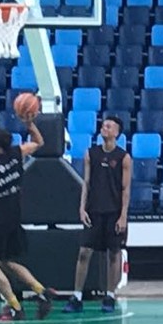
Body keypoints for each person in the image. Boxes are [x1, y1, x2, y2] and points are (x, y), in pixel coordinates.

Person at [0, 119, 55, 321]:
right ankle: (41, 291)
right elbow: (39, 142)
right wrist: (30, 124)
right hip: (13, 217)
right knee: (9, 261)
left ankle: (15, 308)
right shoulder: (16, 153)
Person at [63, 114, 131, 313]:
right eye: (104, 125)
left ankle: (109, 296)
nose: (105, 128)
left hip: (114, 212)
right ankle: (76, 296)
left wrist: (123, 215)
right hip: (93, 210)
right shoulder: (90, 153)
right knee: (84, 252)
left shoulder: (123, 157)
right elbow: (87, 182)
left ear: (117, 132)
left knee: (114, 254)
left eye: (109, 126)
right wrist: (82, 207)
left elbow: (126, 189)